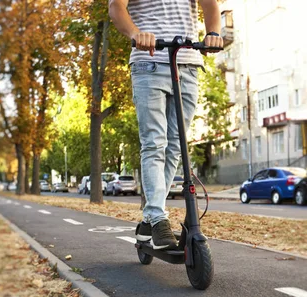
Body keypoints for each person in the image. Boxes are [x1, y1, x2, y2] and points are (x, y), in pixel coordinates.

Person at [109, 0, 223, 250]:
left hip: (190, 64)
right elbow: (116, 7)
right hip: (148, 61)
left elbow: (210, 5)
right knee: (154, 143)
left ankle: (150, 218)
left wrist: (213, 32)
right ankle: (159, 218)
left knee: (175, 146)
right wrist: (136, 33)